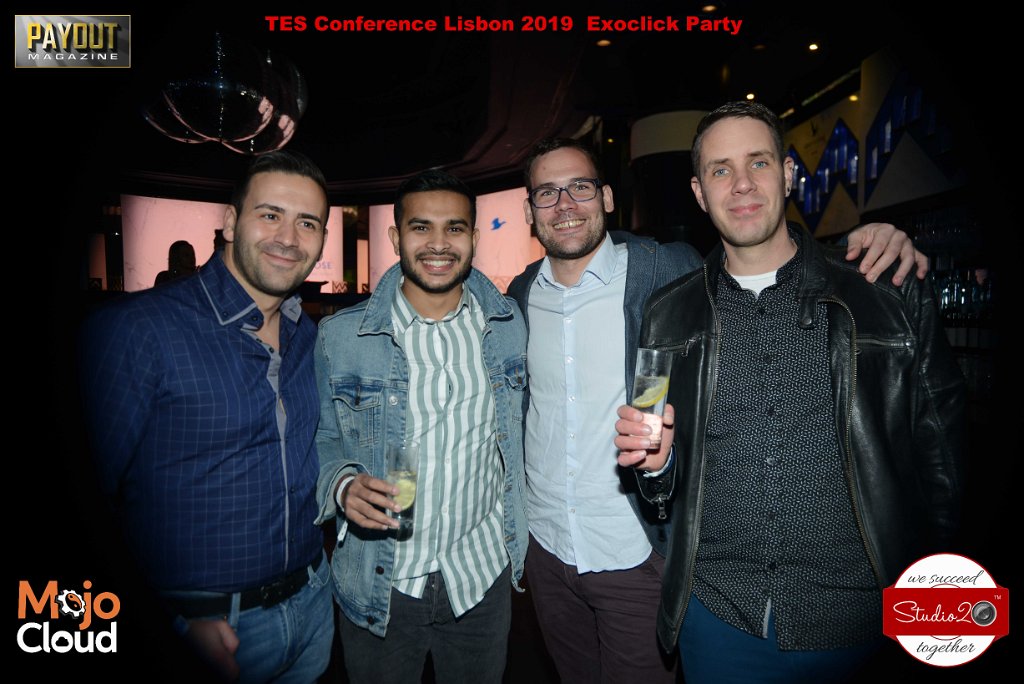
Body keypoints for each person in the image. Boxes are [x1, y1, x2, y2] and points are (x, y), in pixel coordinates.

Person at [506, 137, 929, 683]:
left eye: (580, 187)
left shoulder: (667, 270)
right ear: (528, 211)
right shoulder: (518, 297)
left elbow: (762, 255)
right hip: (547, 550)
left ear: (607, 197)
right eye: (547, 193)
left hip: (635, 550)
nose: (565, 204)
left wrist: (865, 240)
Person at [614, 101, 966, 683]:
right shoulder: (666, 314)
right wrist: (657, 468)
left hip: (870, 622)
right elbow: (657, 485)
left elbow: (948, 467)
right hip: (722, 623)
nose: (742, 183)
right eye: (721, 170)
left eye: (758, 162)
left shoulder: (884, 290)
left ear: (787, 174)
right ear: (700, 193)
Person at [82, 150, 334, 683]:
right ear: (230, 222)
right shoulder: (138, 331)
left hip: (313, 606)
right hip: (208, 626)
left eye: (307, 222)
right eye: (270, 214)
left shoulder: (308, 336)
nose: (289, 237)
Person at [314, 169, 528, 683]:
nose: (438, 243)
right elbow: (320, 440)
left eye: (454, 228)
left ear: (474, 238)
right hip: (382, 585)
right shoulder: (341, 337)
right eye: (420, 227)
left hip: (480, 579)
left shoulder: (507, 326)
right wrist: (342, 485)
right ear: (395, 237)